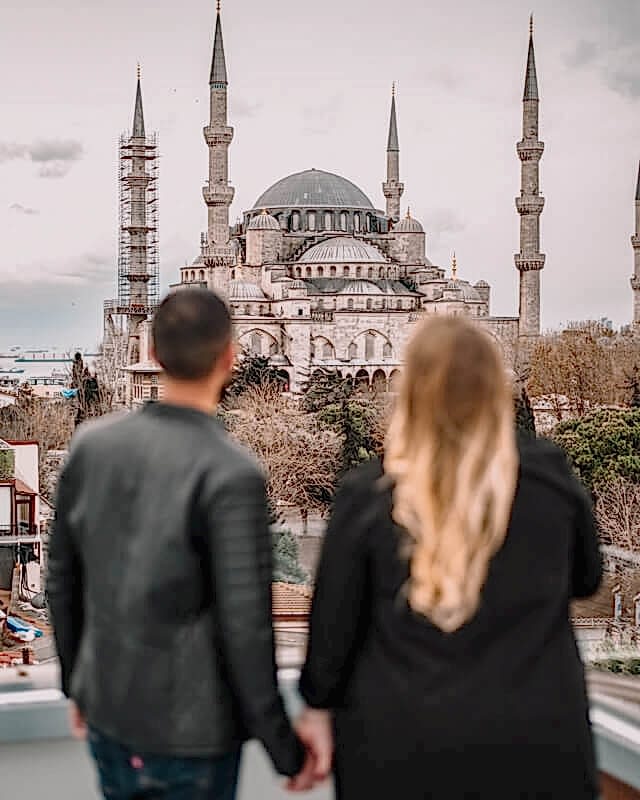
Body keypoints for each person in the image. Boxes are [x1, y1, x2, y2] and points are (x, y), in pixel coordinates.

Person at [297, 315, 602, 799]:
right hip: (535, 747)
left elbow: (333, 629)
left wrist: (316, 708)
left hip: (399, 747)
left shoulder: (369, 492)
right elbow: (587, 577)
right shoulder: (547, 478)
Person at [48, 288, 325, 799]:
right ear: (229, 358)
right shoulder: (232, 472)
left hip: (112, 716)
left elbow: (63, 580)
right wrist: (284, 751)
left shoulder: (92, 447)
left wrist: (78, 688)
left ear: (153, 352)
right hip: (194, 738)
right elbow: (246, 627)